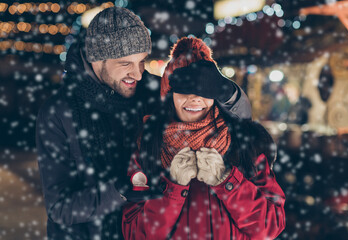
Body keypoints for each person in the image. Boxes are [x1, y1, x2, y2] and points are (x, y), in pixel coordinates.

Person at [36, 8, 250, 240]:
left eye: (142, 62)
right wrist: (118, 191)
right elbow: (59, 209)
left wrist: (228, 93)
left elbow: (239, 123)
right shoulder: (59, 111)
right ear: (96, 58)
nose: (137, 74)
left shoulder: (152, 91)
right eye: (126, 63)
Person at [122, 37, 286, 239]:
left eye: (204, 89)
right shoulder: (148, 143)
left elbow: (271, 226)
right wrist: (172, 190)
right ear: (169, 94)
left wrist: (228, 182)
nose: (194, 98)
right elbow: (135, 233)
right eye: (183, 89)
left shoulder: (244, 143)